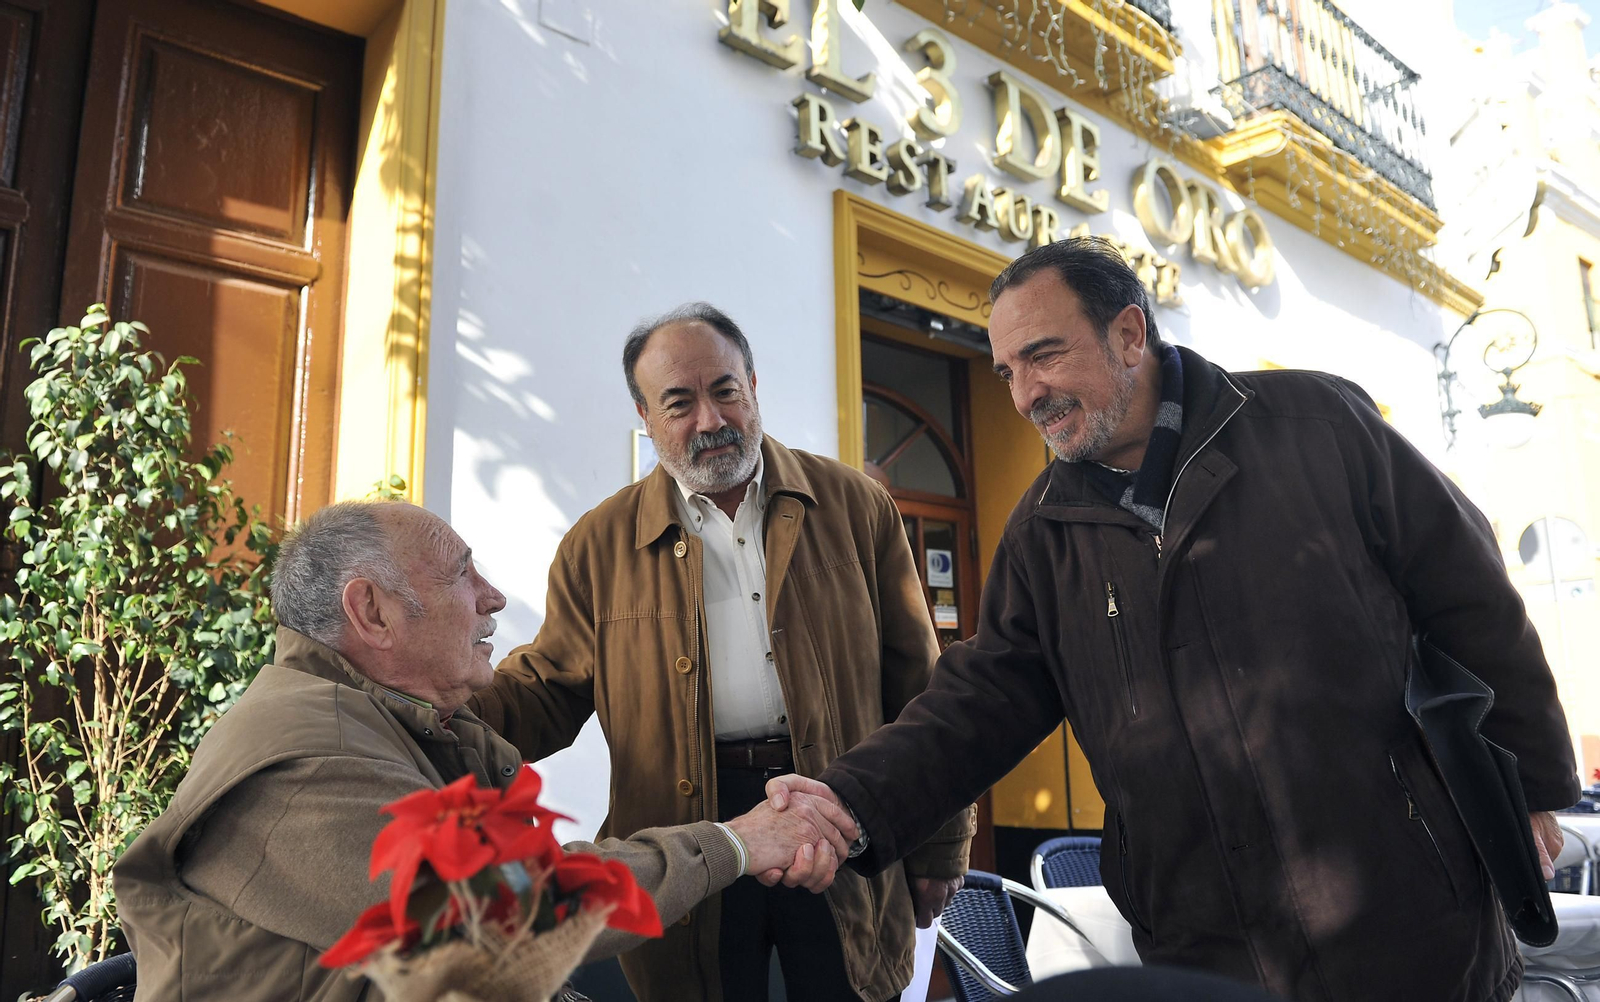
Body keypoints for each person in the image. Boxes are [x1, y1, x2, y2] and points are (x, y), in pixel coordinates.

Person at [767, 237, 1580, 1002]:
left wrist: (1534, 788)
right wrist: (844, 806)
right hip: (1202, 947)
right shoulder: (1038, 534)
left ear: (1129, 334)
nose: (1024, 395)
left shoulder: (1318, 427)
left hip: (1409, 919)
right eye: (1007, 370)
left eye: (1044, 355)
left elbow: (1472, 601)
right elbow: (973, 705)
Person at [112, 499, 856, 1002]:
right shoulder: (305, 763)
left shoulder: (398, 720)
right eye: (461, 574)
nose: (493, 596)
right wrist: (734, 842)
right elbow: (510, 919)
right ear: (371, 611)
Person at [468, 303, 975, 1002]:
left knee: (850, 986)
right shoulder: (599, 543)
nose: (710, 420)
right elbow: (548, 688)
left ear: (754, 387)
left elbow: (922, 689)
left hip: (836, 808)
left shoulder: (856, 506)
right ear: (645, 417)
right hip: (688, 833)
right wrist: (431, 707)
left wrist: (939, 844)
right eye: (679, 402)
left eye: (725, 390)